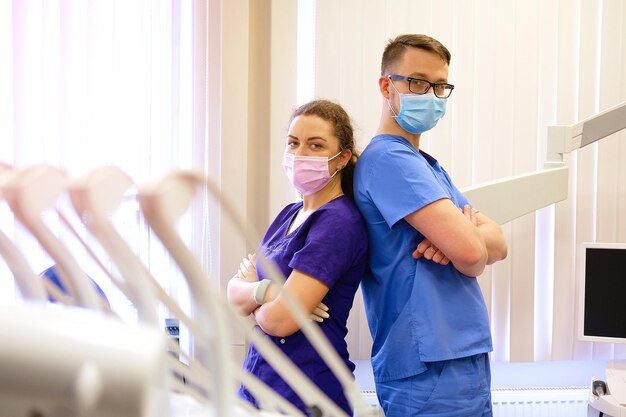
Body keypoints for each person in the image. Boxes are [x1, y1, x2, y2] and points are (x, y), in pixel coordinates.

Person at [353, 34, 508, 417]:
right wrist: (464, 239)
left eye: (440, 86)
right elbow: (473, 255)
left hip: (458, 355)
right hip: (428, 366)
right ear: (386, 85)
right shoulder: (389, 159)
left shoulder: (425, 164)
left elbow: (498, 244)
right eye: (419, 82)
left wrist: (461, 238)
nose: (432, 94)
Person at [227, 99, 368, 416]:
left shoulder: (338, 222)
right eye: (293, 142)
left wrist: (258, 296)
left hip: (306, 391)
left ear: (342, 157)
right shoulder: (289, 214)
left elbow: (279, 321)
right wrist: (271, 292)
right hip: (258, 381)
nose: (299, 153)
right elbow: (234, 296)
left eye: (315, 145)